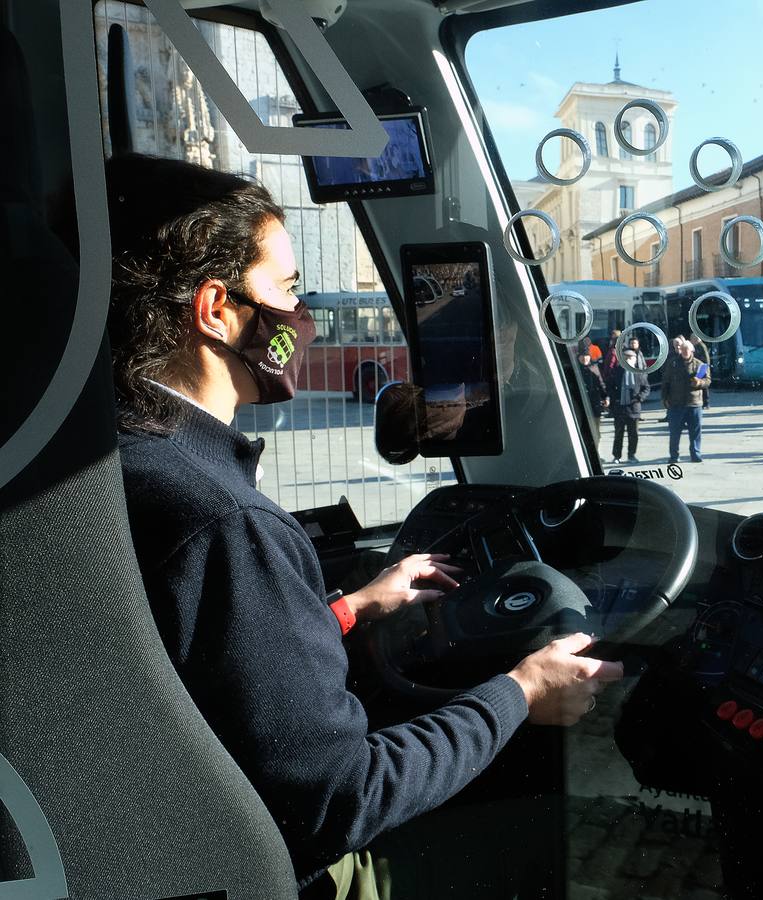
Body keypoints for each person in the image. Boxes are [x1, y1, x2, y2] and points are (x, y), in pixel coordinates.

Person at [104, 154, 620, 897]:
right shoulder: (222, 519)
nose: (298, 316)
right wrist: (521, 691)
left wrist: (351, 607)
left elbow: (192, 659)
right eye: (284, 290)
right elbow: (345, 801)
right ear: (215, 309)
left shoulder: (120, 456)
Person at [662, 337, 711, 462]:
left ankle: (695, 454)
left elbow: (708, 380)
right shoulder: (672, 364)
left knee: (695, 432)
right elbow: (666, 382)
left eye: (686, 349)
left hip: (694, 404)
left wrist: (699, 382)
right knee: (675, 433)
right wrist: (665, 399)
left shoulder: (700, 365)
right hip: (676, 404)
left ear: (692, 351)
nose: (684, 351)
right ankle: (674, 456)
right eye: (682, 349)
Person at [607, 347, 650, 464]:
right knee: (618, 434)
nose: (628, 360)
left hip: (634, 408)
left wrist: (639, 398)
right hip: (619, 408)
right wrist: (614, 398)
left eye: (630, 358)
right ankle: (617, 456)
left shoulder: (639, 373)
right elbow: (609, 386)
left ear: (635, 360)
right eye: (625, 358)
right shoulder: (616, 372)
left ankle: (631, 455)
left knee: (633, 435)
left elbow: (646, 388)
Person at [577, 345, 609, 450]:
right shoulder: (575, 369)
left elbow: (601, 384)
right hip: (579, 406)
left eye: (586, 356)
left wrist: (606, 397)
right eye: (582, 356)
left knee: (595, 431)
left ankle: (595, 452)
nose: (585, 358)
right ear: (578, 357)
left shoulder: (594, 368)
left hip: (594, 405)